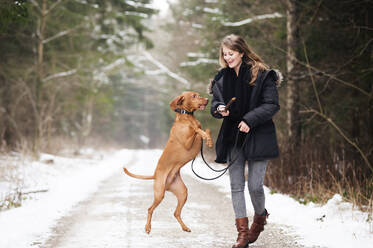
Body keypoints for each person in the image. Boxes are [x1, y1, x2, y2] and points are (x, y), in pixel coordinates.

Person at [209, 34, 281, 248]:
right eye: (224, 54)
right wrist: (218, 109)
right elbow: (216, 102)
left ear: (241, 52)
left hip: (259, 134)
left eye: (230, 54)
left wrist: (249, 120)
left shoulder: (262, 74)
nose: (227, 58)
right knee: (236, 185)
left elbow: (271, 105)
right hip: (233, 135)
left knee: (255, 186)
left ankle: (260, 218)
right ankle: (242, 234)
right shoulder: (222, 77)